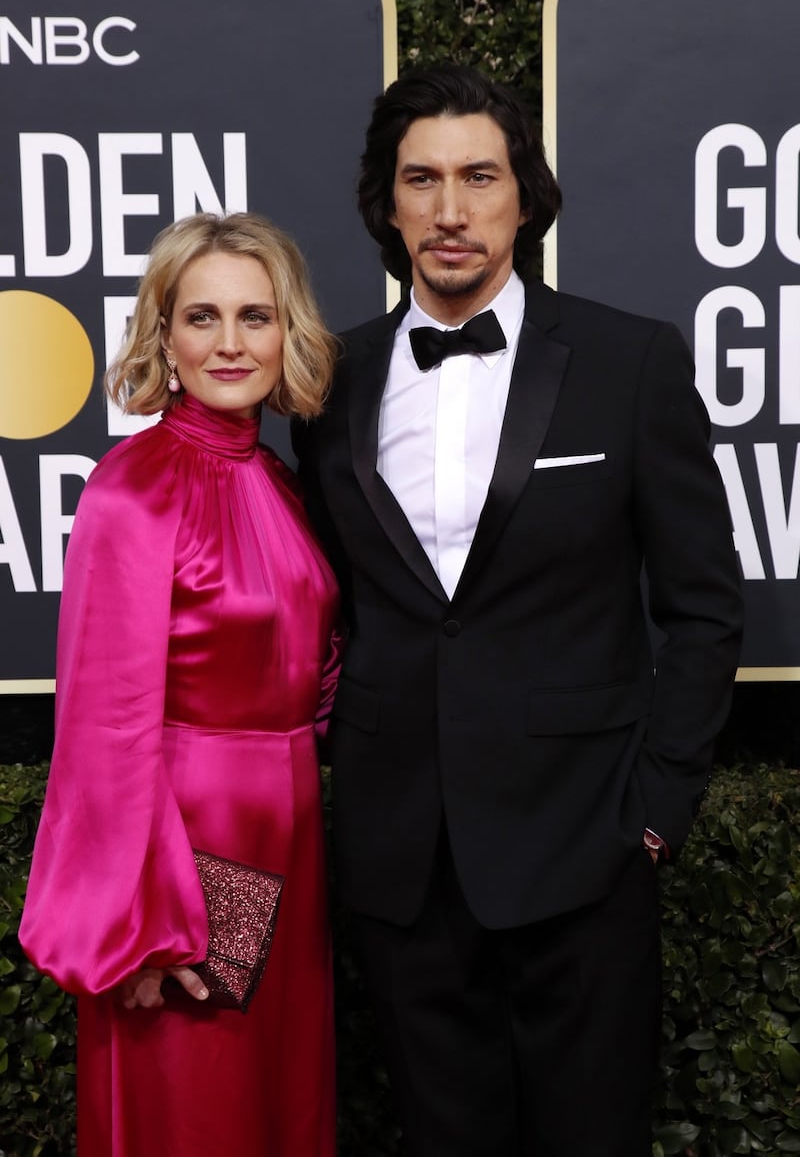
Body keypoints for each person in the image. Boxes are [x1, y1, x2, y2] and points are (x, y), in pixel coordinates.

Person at [292, 65, 744, 1156]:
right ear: (384, 202)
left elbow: (701, 604)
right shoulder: (324, 380)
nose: (450, 211)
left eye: (478, 177)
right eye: (422, 180)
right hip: (402, 857)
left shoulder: (627, 360)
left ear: (523, 197)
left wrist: (656, 809)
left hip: (582, 843)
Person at [20, 212, 341, 1157]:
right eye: (202, 317)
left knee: (276, 1101)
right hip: (193, 859)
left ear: (289, 332)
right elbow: (103, 730)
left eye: (256, 315)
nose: (231, 343)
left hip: (287, 840)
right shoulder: (135, 491)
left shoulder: (278, 479)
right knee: (196, 1108)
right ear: (164, 333)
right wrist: (145, 925)